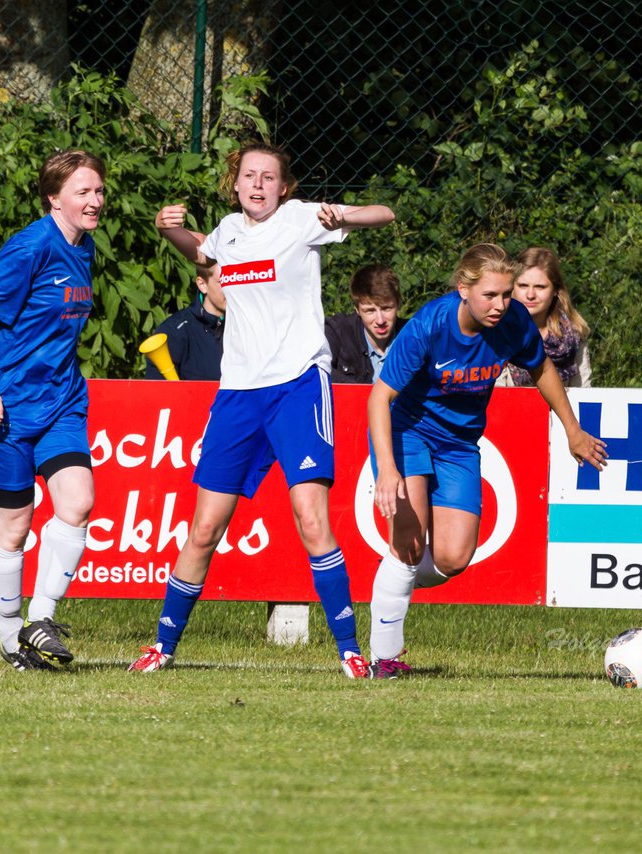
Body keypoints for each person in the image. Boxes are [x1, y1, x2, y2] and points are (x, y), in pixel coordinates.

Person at [130, 141, 395, 678]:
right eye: (249, 176)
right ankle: (163, 646)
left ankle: (349, 650)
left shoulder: (301, 220)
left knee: (311, 518)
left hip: (298, 385)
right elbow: (203, 255)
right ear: (235, 184)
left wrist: (341, 213)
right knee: (205, 527)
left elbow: (383, 213)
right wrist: (170, 231)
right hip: (237, 394)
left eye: (268, 177)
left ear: (282, 186)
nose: (257, 184)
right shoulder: (228, 230)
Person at [366, 243, 608, 677]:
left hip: (460, 443)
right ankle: (383, 660)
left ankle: (392, 577)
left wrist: (571, 429)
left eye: (507, 294)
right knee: (408, 537)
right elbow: (379, 397)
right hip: (409, 432)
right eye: (490, 296)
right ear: (463, 289)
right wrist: (386, 468)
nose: (501, 305)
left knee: (454, 557)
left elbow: (542, 369)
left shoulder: (513, 321)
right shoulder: (429, 326)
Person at [0, 149, 105, 671]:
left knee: (78, 502)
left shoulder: (84, 247)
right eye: (82, 192)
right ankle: (10, 637)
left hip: (60, 400)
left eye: (98, 191)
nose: (94, 201)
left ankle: (40, 619)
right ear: (55, 199)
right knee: (15, 525)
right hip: (3, 408)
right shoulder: (31, 246)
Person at [495, 247, 592, 388]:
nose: (530, 295)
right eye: (523, 285)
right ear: (512, 288)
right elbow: (495, 395)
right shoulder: (497, 332)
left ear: (555, 290)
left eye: (540, 287)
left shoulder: (574, 335)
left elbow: (583, 393)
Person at [144, 260, 225, 381]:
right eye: (223, 281)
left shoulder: (248, 324)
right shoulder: (173, 332)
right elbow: (158, 395)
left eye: (235, 280)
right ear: (202, 284)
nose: (232, 288)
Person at [326, 264, 406, 383]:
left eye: (386, 308)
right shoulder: (337, 332)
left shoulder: (414, 335)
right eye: (370, 311)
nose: (380, 320)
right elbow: (318, 371)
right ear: (357, 310)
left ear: (398, 304)